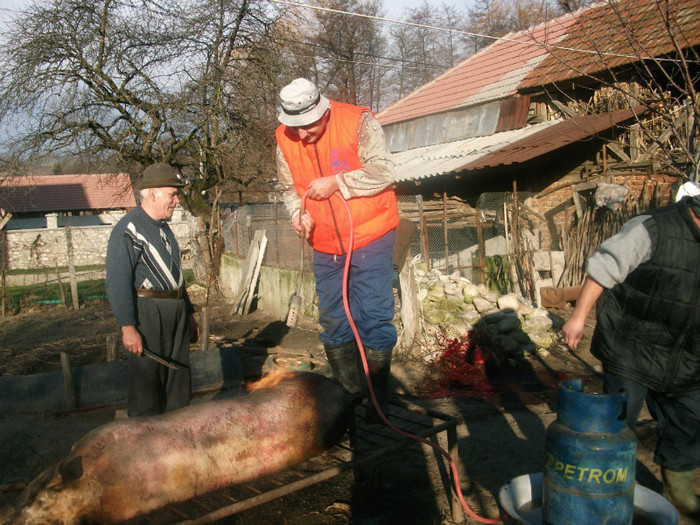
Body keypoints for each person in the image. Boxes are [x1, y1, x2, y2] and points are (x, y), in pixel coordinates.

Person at [562, 186, 700, 517]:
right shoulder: (653, 227)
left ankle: (679, 502)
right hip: (631, 347)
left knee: (689, 426)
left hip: (688, 358)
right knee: (618, 427)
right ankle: (606, 502)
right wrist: (578, 318)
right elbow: (604, 267)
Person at [274, 78, 399, 419]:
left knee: (372, 318)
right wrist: (298, 215)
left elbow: (385, 171)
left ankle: (378, 403)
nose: (301, 135)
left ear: (323, 111)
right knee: (332, 320)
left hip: (370, 235)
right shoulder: (282, 139)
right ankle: (349, 398)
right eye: (293, 127)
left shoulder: (357, 122)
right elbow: (288, 189)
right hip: (325, 244)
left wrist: (338, 182)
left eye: (307, 126)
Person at [106, 163, 198, 417]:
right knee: (148, 383)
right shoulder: (127, 230)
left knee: (178, 379)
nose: (177, 201)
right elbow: (117, 282)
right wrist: (127, 327)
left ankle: (177, 435)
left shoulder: (164, 228)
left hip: (175, 311)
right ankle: (145, 444)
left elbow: (174, 276)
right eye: (172, 194)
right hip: (148, 313)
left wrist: (188, 313)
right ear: (153, 193)